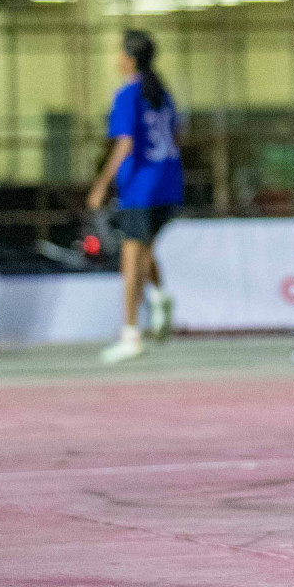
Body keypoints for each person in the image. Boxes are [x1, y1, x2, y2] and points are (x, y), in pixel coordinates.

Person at [88, 31, 183, 363]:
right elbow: (176, 134)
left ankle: (130, 332)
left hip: (141, 187)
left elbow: (125, 143)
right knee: (144, 249)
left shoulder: (128, 94)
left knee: (131, 259)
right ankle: (158, 297)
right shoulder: (162, 93)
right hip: (168, 182)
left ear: (129, 59)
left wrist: (101, 184)